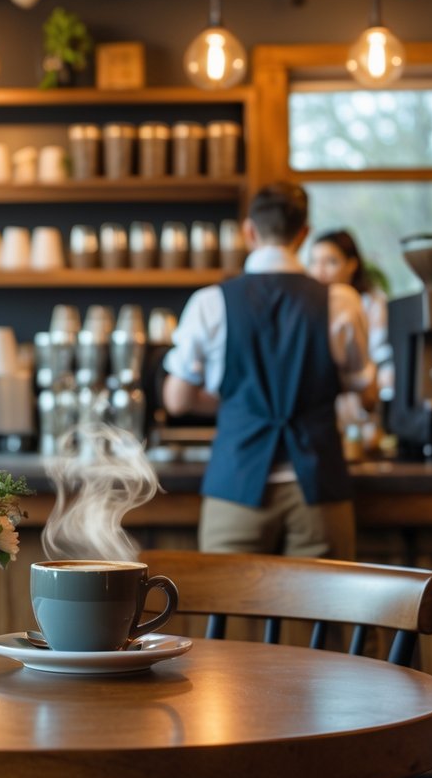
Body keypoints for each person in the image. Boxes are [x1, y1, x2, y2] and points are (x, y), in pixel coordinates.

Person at [162, 182, 376, 560]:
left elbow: (177, 400)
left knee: (224, 613)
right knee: (320, 616)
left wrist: (240, 402)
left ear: (248, 231)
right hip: (318, 486)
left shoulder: (210, 302)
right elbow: (367, 393)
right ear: (304, 234)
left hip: (237, 484)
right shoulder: (341, 301)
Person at [308, 229, 394, 412]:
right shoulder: (308, 306)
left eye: (330, 262)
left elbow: (380, 357)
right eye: (314, 262)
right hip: (321, 409)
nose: (319, 271)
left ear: (351, 264)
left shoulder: (372, 304)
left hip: (363, 406)